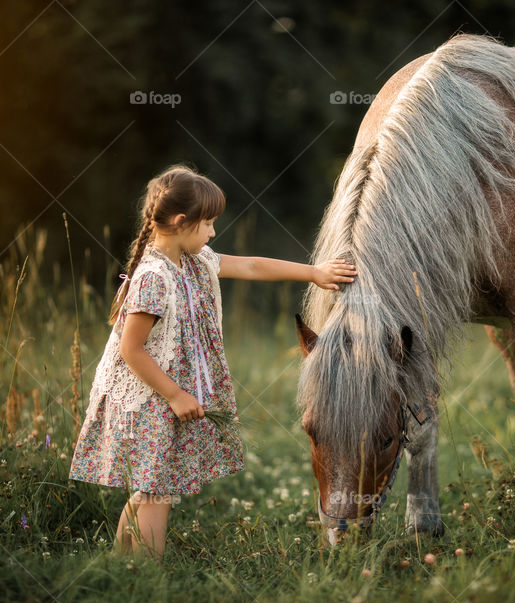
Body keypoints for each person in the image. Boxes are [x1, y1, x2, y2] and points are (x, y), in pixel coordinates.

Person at [68, 164, 356, 562]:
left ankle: (120, 565)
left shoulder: (195, 261)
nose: (213, 233)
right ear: (182, 222)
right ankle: (144, 575)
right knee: (158, 491)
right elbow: (130, 350)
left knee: (152, 487)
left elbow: (252, 266)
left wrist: (315, 273)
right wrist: (175, 394)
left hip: (167, 393)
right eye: (208, 224)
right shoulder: (153, 277)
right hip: (152, 395)